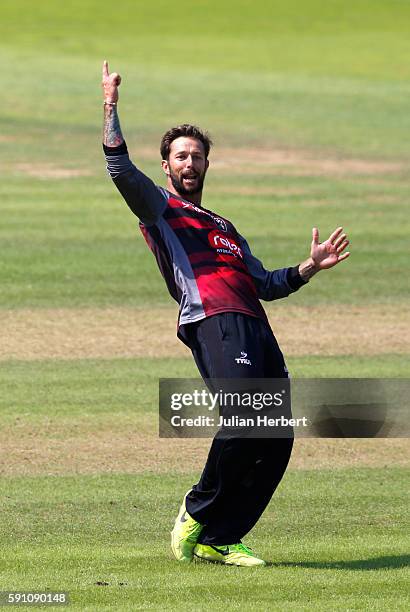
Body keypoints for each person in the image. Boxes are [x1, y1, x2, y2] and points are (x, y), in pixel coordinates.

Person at [101, 60, 350, 567]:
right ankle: (196, 511)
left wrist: (310, 266)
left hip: (256, 326)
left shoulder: (226, 227)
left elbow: (265, 284)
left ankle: (221, 536)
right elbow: (120, 169)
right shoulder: (160, 208)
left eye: (197, 156)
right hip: (212, 319)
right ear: (168, 168)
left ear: (207, 165)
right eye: (180, 157)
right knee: (241, 421)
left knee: (276, 435)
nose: (189, 163)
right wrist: (110, 105)